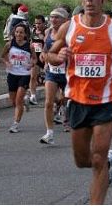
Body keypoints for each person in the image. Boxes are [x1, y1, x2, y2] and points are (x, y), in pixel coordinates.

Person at [46, 0, 112, 204]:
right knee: (82, 160)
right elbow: (46, 55)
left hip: (106, 101)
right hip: (77, 99)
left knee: (97, 157)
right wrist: (57, 57)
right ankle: (108, 163)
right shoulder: (69, 27)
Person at [40, 8, 69, 144]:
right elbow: (45, 50)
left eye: (57, 17)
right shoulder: (48, 32)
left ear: (65, 20)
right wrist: (44, 57)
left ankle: (66, 118)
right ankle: (49, 133)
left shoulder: (70, 34)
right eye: (51, 17)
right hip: (52, 72)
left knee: (65, 99)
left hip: (68, 72)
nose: (53, 20)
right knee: (48, 102)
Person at [2, 23, 37, 133]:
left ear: (25, 34)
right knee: (13, 101)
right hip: (12, 74)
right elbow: (2, 56)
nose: (18, 34)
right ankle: (24, 101)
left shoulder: (29, 46)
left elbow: (35, 59)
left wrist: (31, 64)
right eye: (17, 32)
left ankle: (15, 124)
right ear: (14, 33)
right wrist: (7, 63)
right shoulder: (9, 44)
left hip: (24, 75)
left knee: (18, 100)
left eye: (21, 32)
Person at [28, 14, 47, 105]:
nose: (37, 25)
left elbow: (49, 42)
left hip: (46, 58)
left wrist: (41, 36)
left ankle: (53, 98)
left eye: (39, 23)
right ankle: (33, 96)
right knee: (32, 77)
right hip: (36, 57)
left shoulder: (47, 31)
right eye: (36, 23)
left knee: (49, 79)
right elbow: (32, 41)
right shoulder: (34, 30)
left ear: (44, 23)